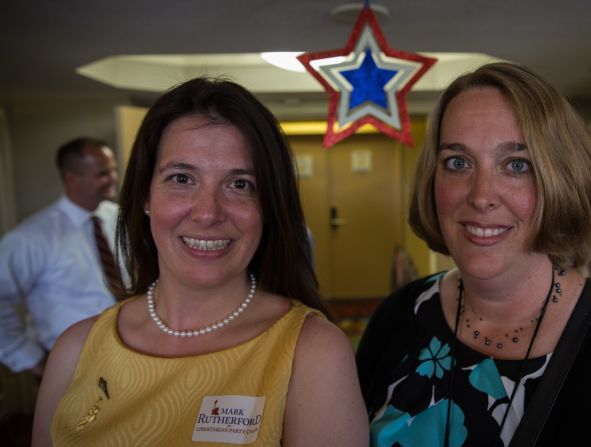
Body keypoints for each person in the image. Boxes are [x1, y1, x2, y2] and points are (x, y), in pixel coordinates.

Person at [356, 62, 591, 446]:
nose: (481, 195)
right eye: (458, 162)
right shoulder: (399, 316)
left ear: (561, 181)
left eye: (516, 165)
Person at [32, 78, 368, 446]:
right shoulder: (75, 350)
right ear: (146, 195)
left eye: (240, 185)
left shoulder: (313, 353)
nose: (208, 213)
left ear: (269, 205)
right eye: (181, 178)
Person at [0, 137, 120, 377]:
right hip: (71, 370)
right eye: (103, 173)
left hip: (130, 361)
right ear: (72, 178)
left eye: (114, 170)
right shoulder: (31, 238)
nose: (114, 179)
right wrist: (31, 359)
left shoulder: (122, 219)